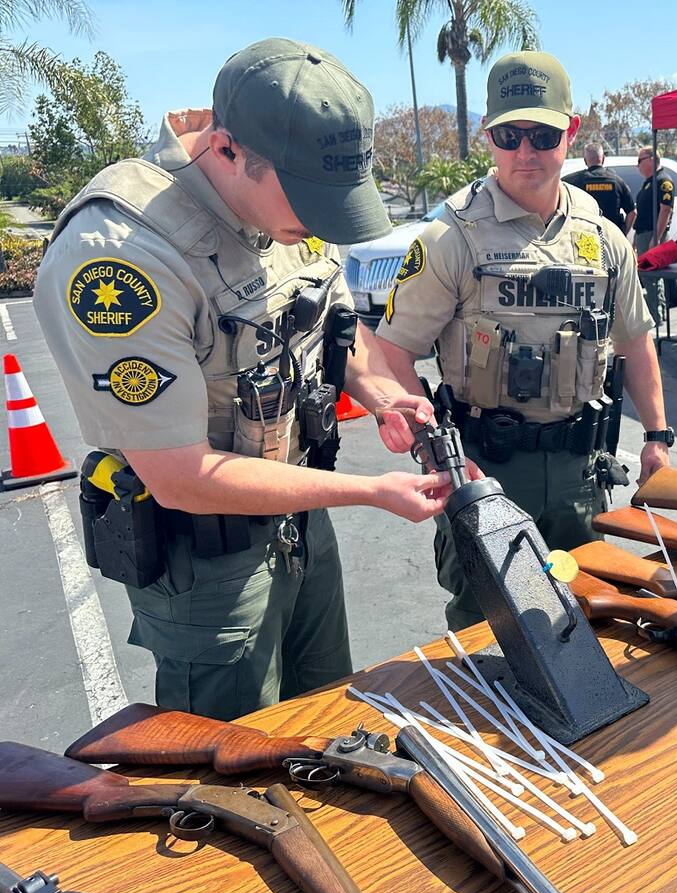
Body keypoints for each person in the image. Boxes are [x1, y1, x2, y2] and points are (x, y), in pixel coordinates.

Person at [33, 38, 452, 721]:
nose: (323, 219)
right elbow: (179, 475)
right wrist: (370, 492)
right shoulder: (121, 256)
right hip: (210, 564)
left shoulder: (291, 206)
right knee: (238, 771)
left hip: (301, 520)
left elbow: (334, 326)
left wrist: (384, 395)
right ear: (226, 150)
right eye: (312, 198)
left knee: (327, 724)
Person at [374, 51, 673, 631]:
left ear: (572, 131)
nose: (526, 151)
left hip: (580, 475)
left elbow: (636, 341)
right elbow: (392, 355)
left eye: (543, 133)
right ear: (489, 135)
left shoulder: (604, 237)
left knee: (589, 617)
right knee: (489, 632)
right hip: (487, 471)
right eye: (509, 134)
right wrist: (446, 456)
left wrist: (657, 438)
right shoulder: (449, 237)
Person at [632, 148, 677, 324]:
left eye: (640, 160)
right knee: (647, 276)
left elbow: (665, 209)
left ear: (651, 159)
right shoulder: (649, 182)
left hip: (653, 235)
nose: (637, 165)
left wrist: (657, 237)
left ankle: (657, 315)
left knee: (652, 276)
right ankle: (656, 313)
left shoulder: (663, 181)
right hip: (644, 234)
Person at [563, 143, 635, 233]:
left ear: (585, 161)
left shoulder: (575, 181)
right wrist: (623, 233)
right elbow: (632, 212)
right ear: (603, 159)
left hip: (587, 237)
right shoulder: (617, 182)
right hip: (612, 237)